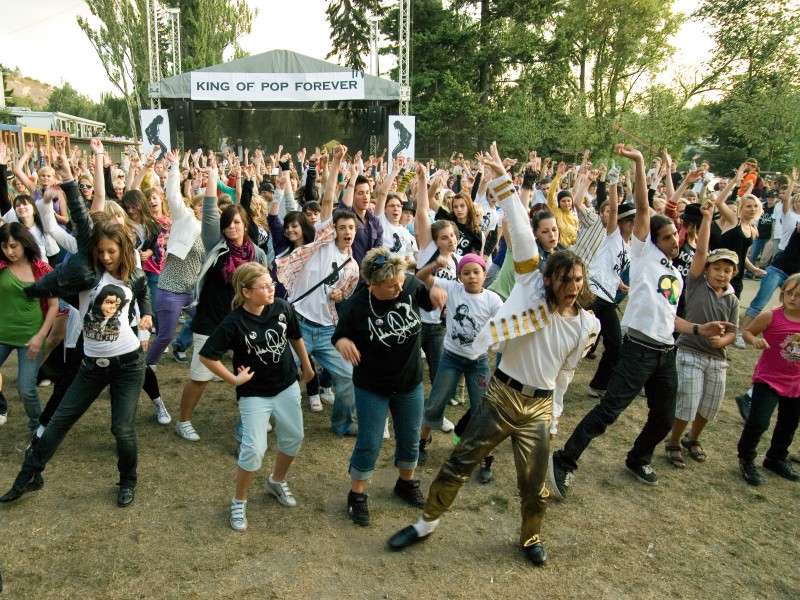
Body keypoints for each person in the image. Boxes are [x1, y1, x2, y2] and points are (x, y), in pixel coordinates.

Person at [387, 142, 600, 566]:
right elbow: (521, 231)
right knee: (458, 463)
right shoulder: (529, 290)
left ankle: (531, 536)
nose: (573, 286)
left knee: (533, 483)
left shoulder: (585, 325)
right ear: (548, 279)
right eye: (565, 278)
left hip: (538, 409)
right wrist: (502, 177)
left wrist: (555, 415)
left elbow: (564, 375)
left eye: (578, 279)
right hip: (501, 396)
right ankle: (426, 522)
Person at [548, 144, 730, 497]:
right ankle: (564, 461)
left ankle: (638, 457)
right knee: (609, 411)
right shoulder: (644, 254)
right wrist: (641, 163)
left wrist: (697, 329)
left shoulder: (676, 273)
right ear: (651, 239)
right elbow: (645, 207)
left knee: (663, 417)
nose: (673, 241)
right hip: (639, 350)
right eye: (666, 237)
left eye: (675, 237)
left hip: (666, 352)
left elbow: (672, 316)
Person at [0, 144, 152, 507]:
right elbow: (83, 219)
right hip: (90, 365)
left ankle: (127, 480)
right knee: (58, 424)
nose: (106, 256)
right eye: (101, 252)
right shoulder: (85, 274)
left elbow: (144, 292)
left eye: (112, 252)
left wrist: (147, 320)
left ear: (122, 250)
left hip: (129, 364)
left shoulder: (133, 274)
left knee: (122, 428)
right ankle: (28, 477)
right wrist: (68, 178)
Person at [332, 248, 445, 526]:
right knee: (369, 441)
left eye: (400, 281)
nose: (399, 287)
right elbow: (339, 335)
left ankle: (405, 483)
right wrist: (343, 343)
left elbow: (427, 302)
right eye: (391, 285)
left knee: (409, 436)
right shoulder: (357, 306)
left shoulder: (408, 284)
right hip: (372, 386)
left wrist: (434, 296)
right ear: (373, 284)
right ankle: (356, 495)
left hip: (409, 382)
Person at [199, 262, 313, 530]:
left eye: (271, 284)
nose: (271, 289)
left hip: (286, 385)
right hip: (254, 395)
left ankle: (275, 481)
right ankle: (239, 501)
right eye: (264, 287)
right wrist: (233, 379)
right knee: (253, 449)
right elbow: (207, 355)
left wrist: (306, 367)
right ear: (246, 292)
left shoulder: (282, 308)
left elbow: (295, 337)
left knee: (294, 437)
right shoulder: (234, 322)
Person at [174, 156, 270, 442]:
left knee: (251, 371)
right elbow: (209, 213)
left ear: (245, 224)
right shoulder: (216, 246)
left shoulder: (257, 254)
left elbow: (264, 283)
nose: (231, 228)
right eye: (228, 224)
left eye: (237, 223)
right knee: (200, 376)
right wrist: (214, 174)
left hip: (244, 320)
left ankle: (252, 419)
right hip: (211, 319)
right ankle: (183, 420)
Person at [277, 145, 360, 436]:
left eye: (352, 228)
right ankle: (257, 425)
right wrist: (337, 161)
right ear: (333, 229)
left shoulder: (353, 266)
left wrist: (340, 295)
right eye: (342, 227)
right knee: (278, 376)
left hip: (326, 331)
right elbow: (327, 198)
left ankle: (342, 424)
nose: (347, 232)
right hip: (298, 324)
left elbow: (346, 293)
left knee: (348, 378)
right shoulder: (321, 244)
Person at [414, 253, 502, 481]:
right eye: (466, 273)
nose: (472, 277)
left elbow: (504, 323)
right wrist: (434, 265)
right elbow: (421, 276)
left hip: (478, 361)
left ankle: (485, 457)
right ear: (459, 276)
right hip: (450, 358)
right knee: (436, 401)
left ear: (485, 274)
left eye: (476, 272)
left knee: (482, 409)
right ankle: (421, 442)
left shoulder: (492, 300)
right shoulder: (453, 289)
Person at [665, 201, 739, 468]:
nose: (721, 274)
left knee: (709, 405)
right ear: (706, 270)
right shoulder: (696, 284)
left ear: (734, 274)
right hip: (690, 352)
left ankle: (692, 438)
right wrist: (707, 218)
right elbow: (701, 252)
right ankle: (673, 440)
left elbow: (733, 330)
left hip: (717, 359)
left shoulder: (732, 299)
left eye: (727, 270)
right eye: (716, 268)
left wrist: (724, 340)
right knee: (687, 402)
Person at [737, 273, 800, 485]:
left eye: (798, 295)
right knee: (758, 422)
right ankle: (746, 458)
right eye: (788, 293)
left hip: (796, 382)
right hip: (769, 379)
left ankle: (776, 457)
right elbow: (747, 332)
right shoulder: (771, 316)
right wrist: (755, 340)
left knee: (788, 423)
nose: (792, 298)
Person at [0, 223, 59, 428]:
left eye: (13, 246)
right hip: (2, 333)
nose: (9, 251)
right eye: (4, 246)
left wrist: (40, 336)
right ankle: (1, 408)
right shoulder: (1, 266)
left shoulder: (41, 269)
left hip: (31, 336)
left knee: (26, 389)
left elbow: (53, 306)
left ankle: (37, 425)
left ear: (25, 243)